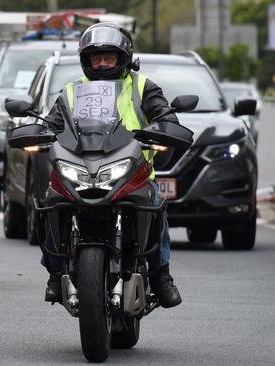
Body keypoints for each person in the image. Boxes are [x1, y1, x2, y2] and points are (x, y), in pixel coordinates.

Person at [42, 22, 182, 308]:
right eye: (97, 58)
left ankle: (161, 275)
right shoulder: (71, 91)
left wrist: (166, 127)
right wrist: (38, 132)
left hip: (134, 171)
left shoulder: (143, 86)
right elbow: (52, 125)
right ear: (86, 61)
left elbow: (165, 115)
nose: (103, 64)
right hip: (81, 166)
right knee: (52, 200)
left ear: (124, 59)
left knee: (156, 204)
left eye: (110, 57)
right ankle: (56, 274)